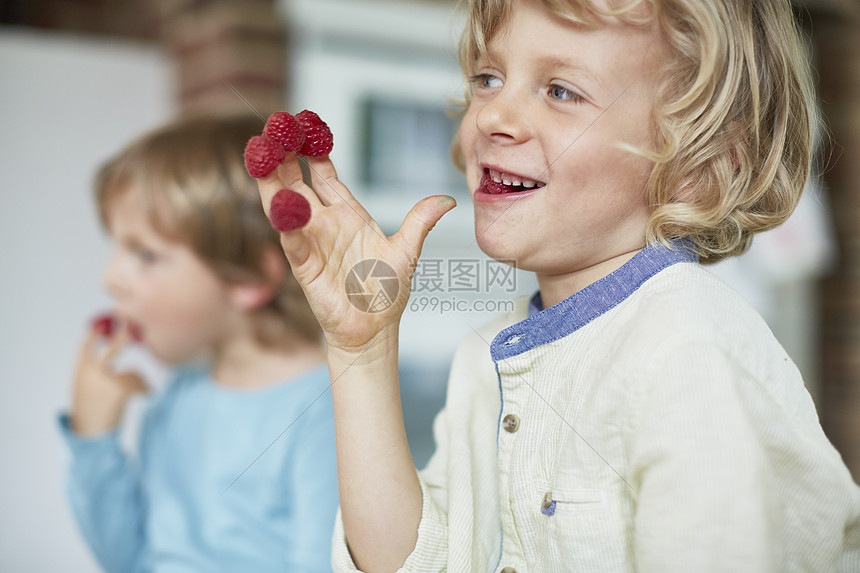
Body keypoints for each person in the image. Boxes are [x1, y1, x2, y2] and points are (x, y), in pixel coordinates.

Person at [255, 0, 860, 571]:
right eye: (489, 78)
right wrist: (361, 348)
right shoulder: (484, 356)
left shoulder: (689, 352)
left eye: (561, 91)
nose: (492, 115)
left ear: (696, 170)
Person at [59, 115, 339, 573]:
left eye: (145, 254)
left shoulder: (323, 409)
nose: (110, 279)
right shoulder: (180, 390)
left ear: (248, 276)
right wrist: (93, 438)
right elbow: (125, 559)